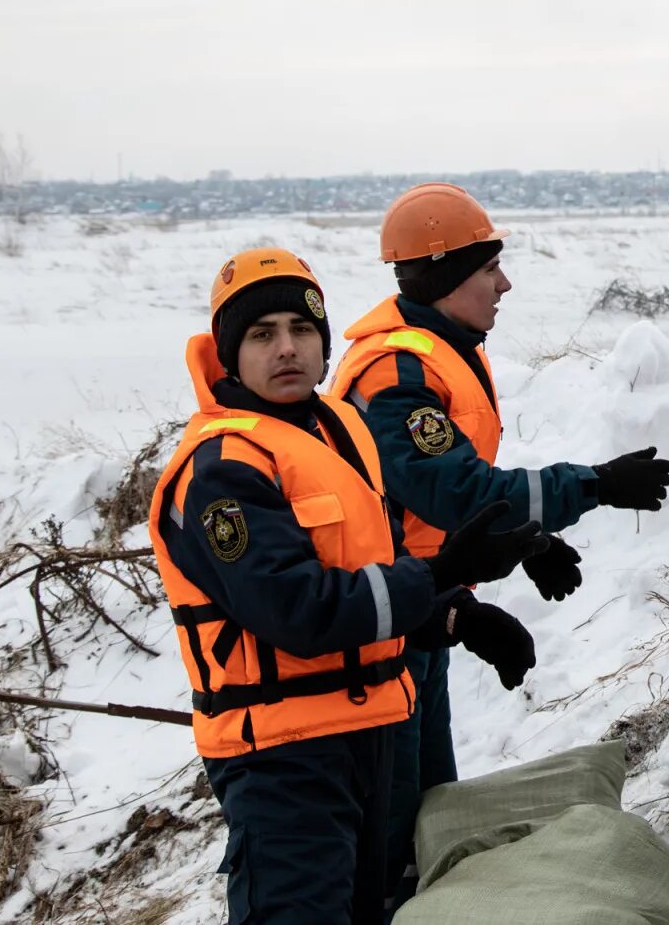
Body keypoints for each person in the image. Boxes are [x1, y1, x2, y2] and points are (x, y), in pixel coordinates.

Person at [146, 247, 545, 924]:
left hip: (368, 733)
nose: (286, 349)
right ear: (229, 353)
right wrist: (439, 575)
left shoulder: (336, 432)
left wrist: (454, 616)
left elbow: (367, 572)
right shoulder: (220, 470)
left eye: (302, 330)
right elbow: (298, 609)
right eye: (262, 334)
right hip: (282, 759)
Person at [331, 186, 669, 910]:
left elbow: (447, 506)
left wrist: (524, 544)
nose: (505, 283)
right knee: (391, 838)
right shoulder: (396, 374)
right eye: (490, 266)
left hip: (422, 610)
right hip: (380, 633)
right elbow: (455, 491)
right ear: (444, 274)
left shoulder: (442, 351)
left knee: (429, 817)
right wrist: (598, 486)